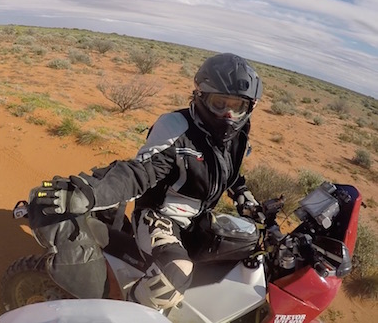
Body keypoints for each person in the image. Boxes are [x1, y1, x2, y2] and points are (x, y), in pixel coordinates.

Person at [28, 52, 263, 311]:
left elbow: (230, 171)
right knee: (176, 274)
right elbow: (141, 172)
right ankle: (129, 312)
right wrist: (88, 192)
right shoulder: (177, 127)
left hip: (199, 219)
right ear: (201, 96)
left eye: (237, 106)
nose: (228, 114)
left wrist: (243, 194)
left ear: (249, 107)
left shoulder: (238, 139)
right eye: (220, 103)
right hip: (160, 215)